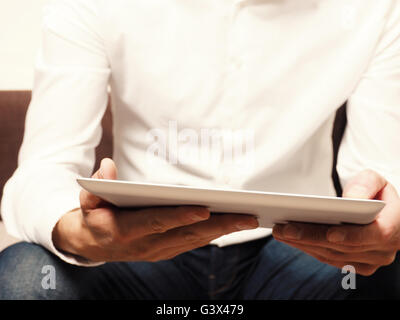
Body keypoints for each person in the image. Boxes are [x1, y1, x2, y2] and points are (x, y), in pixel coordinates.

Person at [1, 0, 400, 299]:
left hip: (299, 251)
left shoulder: (374, 9)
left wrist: (385, 216)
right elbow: (43, 167)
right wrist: (79, 233)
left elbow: (381, 171)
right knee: (22, 276)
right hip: (138, 252)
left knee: (386, 270)